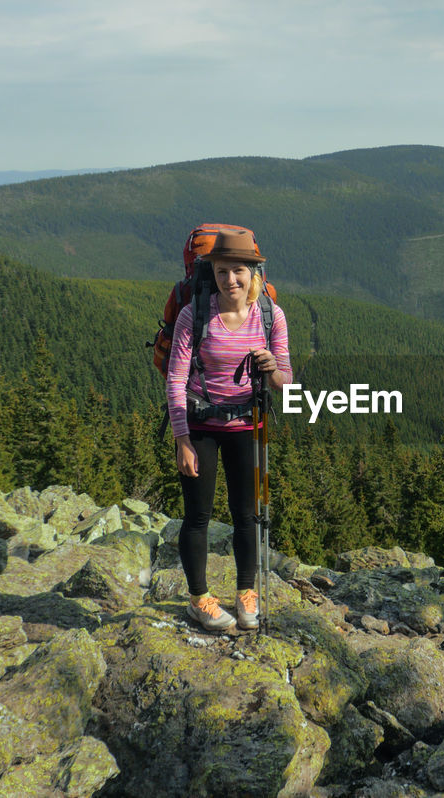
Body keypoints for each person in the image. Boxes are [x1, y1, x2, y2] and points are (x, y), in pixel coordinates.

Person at [166, 228, 291, 631]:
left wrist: (272, 367)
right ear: (212, 272)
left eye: (238, 271)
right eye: (222, 271)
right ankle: (199, 599)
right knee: (197, 516)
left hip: (246, 424)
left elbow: (285, 381)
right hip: (200, 424)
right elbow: (175, 380)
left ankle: (246, 593)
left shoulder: (271, 315)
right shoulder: (193, 314)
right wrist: (182, 440)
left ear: (254, 271)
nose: (230, 280)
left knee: (247, 515)